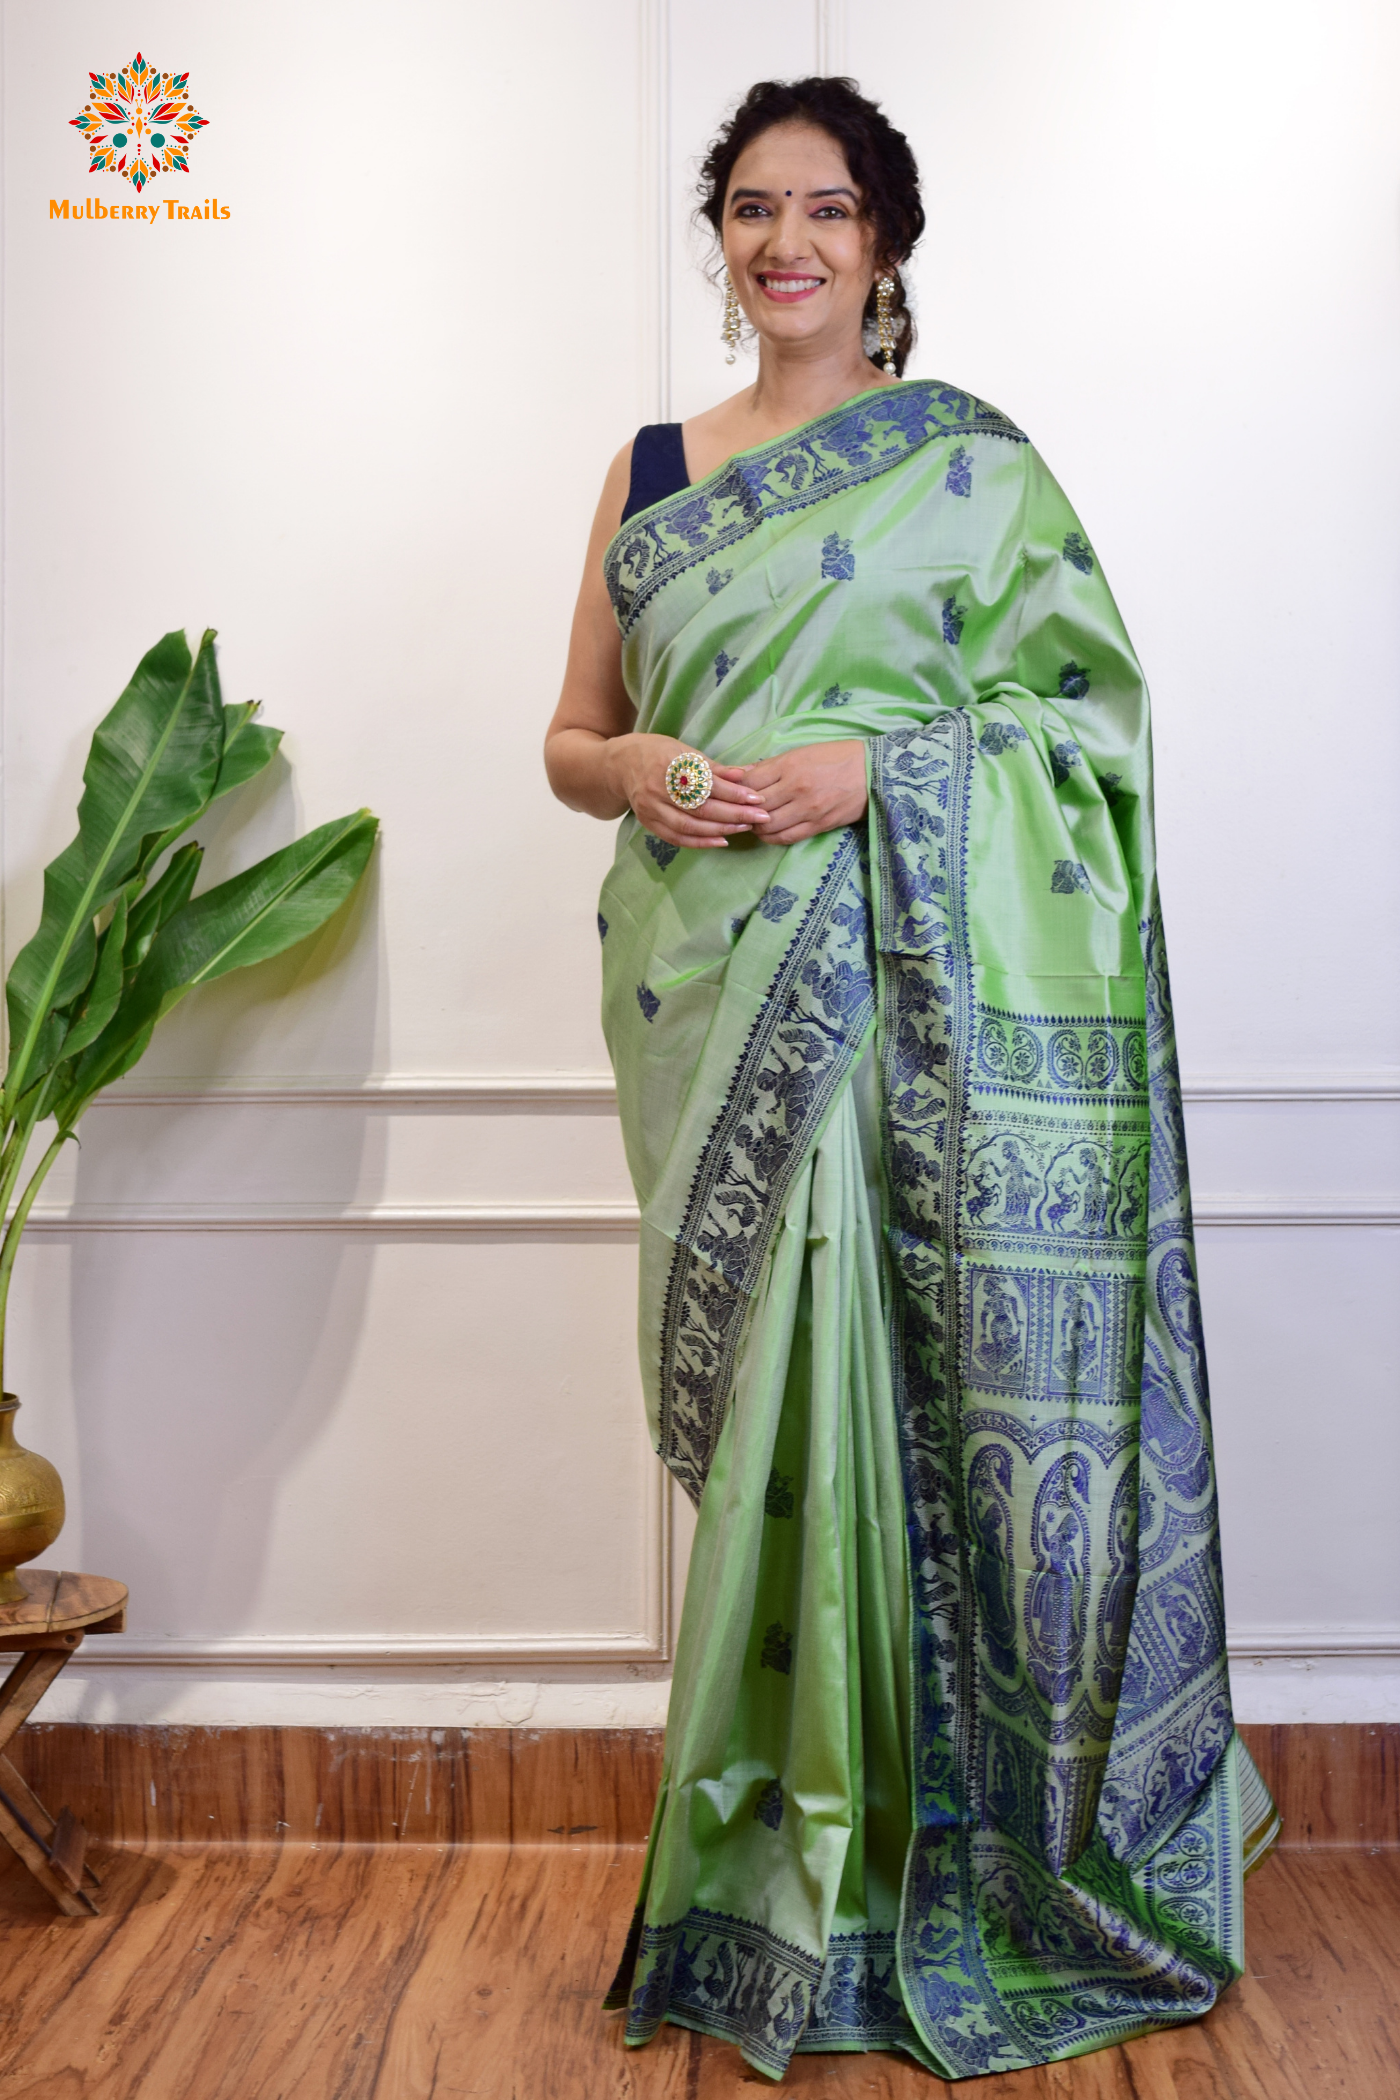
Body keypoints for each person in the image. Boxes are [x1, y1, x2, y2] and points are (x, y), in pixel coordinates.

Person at [544, 74, 1278, 2083]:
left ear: (885, 246)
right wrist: (640, 775)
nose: (787, 241)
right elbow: (570, 736)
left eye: (828, 209)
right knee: (768, 1437)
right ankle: (764, 1873)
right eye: (754, 208)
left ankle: (900, 1870)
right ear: (718, 238)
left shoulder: (970, 468)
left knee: (885, 1405)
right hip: (706, 991)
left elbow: (1091, 737)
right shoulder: (647, 469)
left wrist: (886, 771)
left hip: (901, 1002)